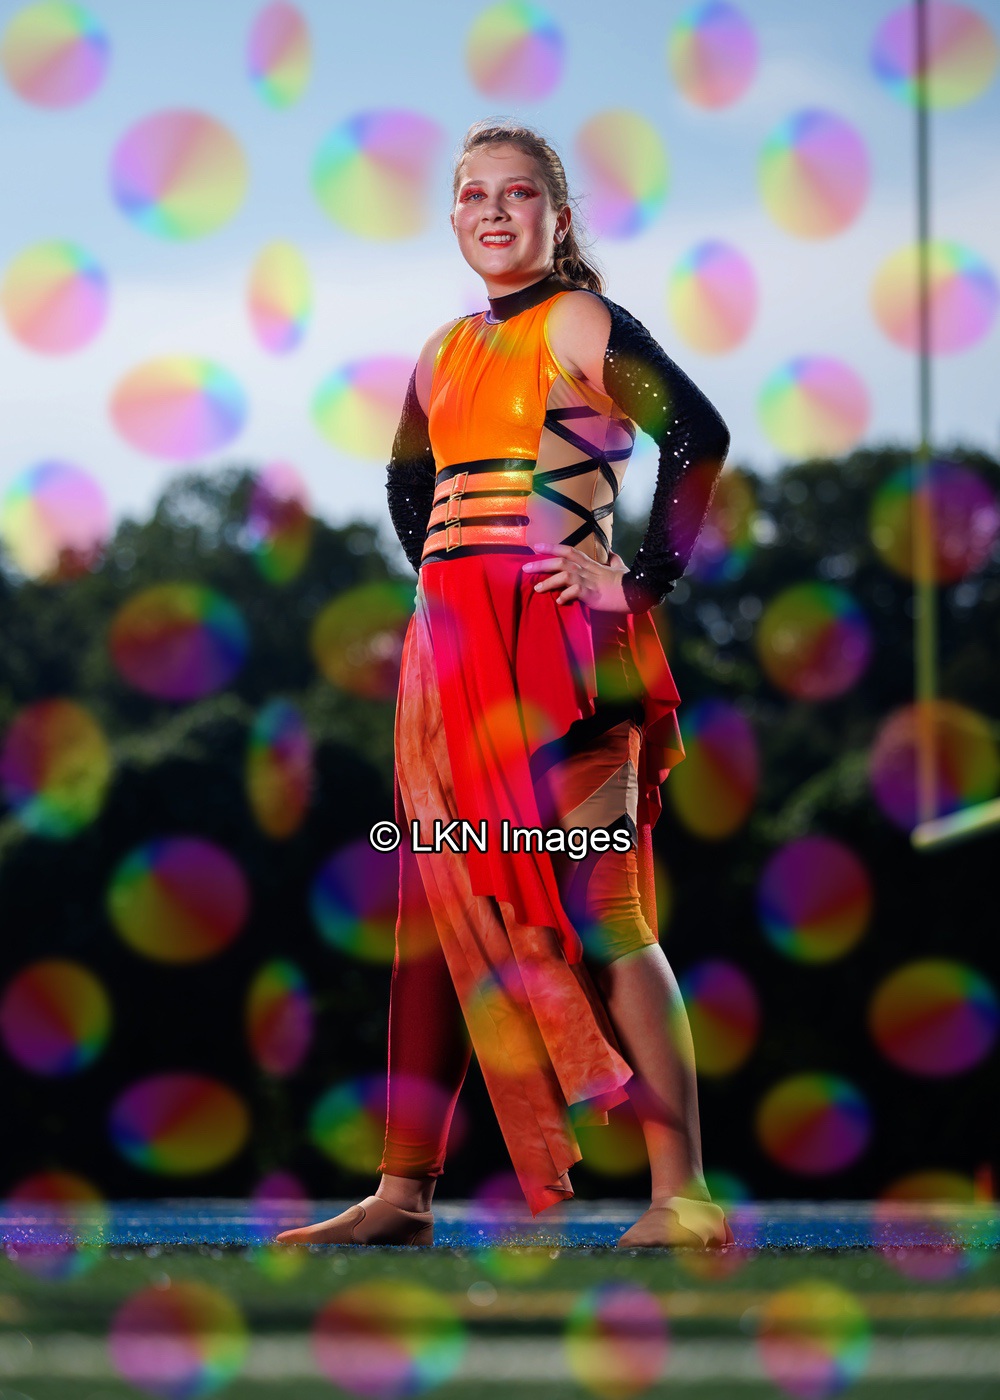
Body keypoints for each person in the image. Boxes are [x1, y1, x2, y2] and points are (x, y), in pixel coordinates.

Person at [277, 119, 734, 1250]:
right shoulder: (441, 351)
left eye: (517, 192)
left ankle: (682, 1195)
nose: (492, 210)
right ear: (451, 217)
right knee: (437, 921)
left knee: (604, 909)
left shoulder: (576, 318)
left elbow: (698, 433)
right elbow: (408, 485)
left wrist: (638, 579)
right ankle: (402, 1196)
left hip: (569, 658)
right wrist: (449, 594)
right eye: (472, 193)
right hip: (452, 669)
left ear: (557, 217)